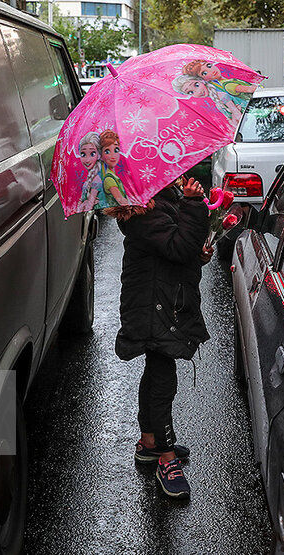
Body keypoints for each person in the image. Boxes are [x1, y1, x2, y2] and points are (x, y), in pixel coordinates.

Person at [106, 177, 212, 500]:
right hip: (154, 307)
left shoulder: (158, 198)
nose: (180, 175)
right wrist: (194, 204)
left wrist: (198, 252)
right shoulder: (143, 210)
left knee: (155, 371)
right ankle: (166, 459)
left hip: (158, 300)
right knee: (163, 380)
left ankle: (149, 441)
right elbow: (177, 247)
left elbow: (179, 246)